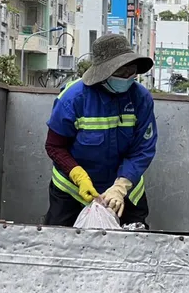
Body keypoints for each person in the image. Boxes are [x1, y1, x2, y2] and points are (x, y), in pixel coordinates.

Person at [44, 33, 157, 227]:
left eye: (132, 70)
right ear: (104, 74)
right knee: (61, 244)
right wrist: (79, 176)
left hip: (124, 191)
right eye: (122, 72)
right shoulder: (73, 99)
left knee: (133, 246)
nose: (128, 76)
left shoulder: (141, 98)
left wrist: (121, 187)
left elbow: (143, 149)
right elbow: (55, 146)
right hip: (72, 190)